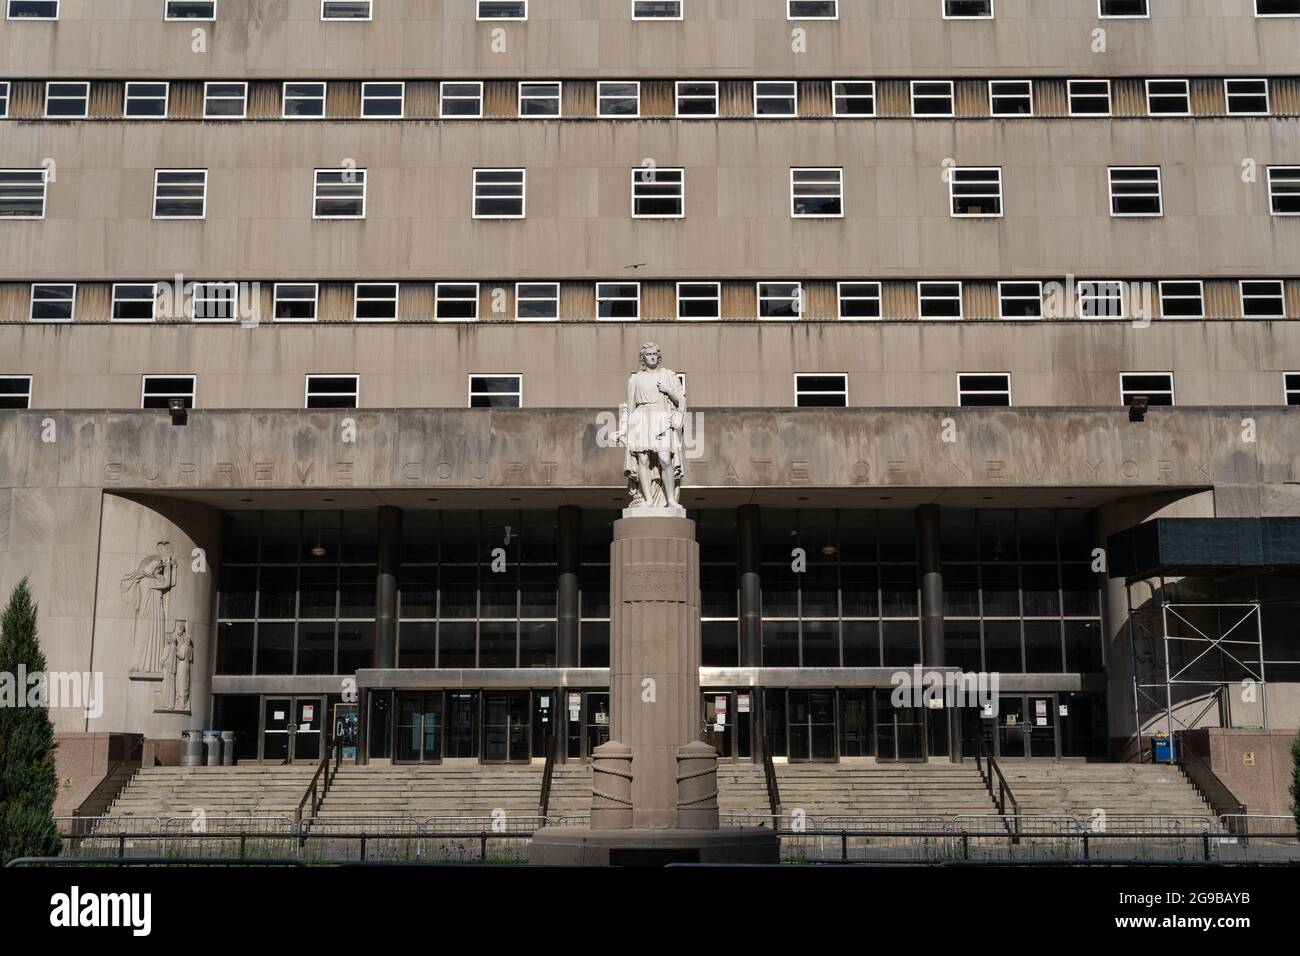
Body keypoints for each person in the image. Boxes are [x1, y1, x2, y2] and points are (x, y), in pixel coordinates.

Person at [619, 343, 686, 508]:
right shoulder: (635, 379)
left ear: (659, 356)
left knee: (665, 458)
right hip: (641, 417)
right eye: (649, 354)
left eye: (655, 353)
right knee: (642, 458)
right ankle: (648, 499)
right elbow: (630, 406)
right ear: (643, 358)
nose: (652, 356)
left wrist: (668, 390)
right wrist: (623, 429)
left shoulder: (668, 375)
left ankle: (670, 499)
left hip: (661, 417)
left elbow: (681, 400)